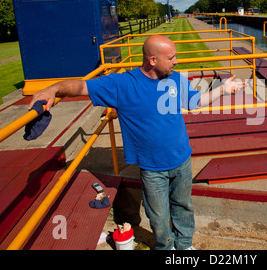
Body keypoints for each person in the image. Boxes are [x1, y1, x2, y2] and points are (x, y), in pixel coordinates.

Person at [28, 34, 247, 250]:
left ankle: (185, 245)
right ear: (153, 60)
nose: (176, 61)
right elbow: (82, 87)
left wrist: (223, 90)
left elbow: (195, 102)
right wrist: (54, 89)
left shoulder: (176, 78)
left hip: (182, 159)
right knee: (159, 216)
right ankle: (166, 247)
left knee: (183, 207)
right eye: (171, 58)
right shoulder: (122, 84)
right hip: (152, 168)